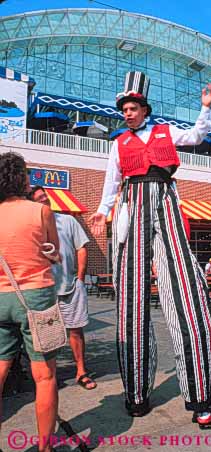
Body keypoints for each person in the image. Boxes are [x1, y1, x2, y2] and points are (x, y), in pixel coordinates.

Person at [89, 71, 211, 428]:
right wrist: (102, 211)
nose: (127, 114)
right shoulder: (118, 144)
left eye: (133, 108)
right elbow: (111, 181)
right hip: (132, 208)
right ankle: (137, 394)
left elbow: (197, 135)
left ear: (144, 109)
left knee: (184, 292)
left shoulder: (166, 132)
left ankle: (199, 394)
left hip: (165, 204)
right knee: (131, 301)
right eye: (124, 109)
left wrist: (205, 108)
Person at [0, 152, 59, 452]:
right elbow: (55, 255)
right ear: (21, 178)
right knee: (45, 375)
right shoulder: (40, 212)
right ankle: (44, 448)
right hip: (36, 297)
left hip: (1, 297)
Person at [30, 186, 97, 390]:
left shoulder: (67, 220)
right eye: (40, 200)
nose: (45, 201)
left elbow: (81, 248)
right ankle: (50, 376)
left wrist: (80, 278)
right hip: (43, 290)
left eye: (45, 197)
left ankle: (81, 371)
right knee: (46, 335)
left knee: (76, 331)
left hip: (70, 287)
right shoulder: (32, 227)